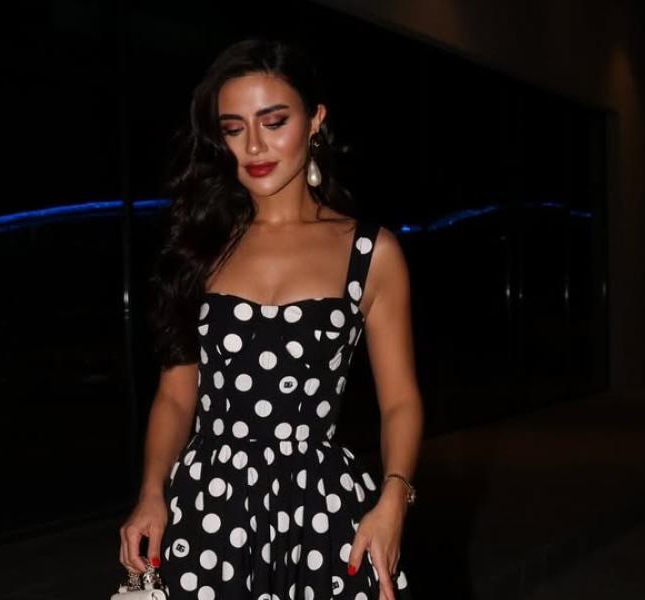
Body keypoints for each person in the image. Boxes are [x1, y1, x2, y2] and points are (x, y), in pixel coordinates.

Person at [119, 38, 423, 600]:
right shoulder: (201, 247)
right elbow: (177, 396)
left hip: (322, 510)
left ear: (315, 120)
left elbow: (400, 400)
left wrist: (393, 501)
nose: (254, 146)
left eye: (274, 121)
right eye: (234, 129)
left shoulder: (370, 252)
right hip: (209, 508)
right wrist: (151, 492)